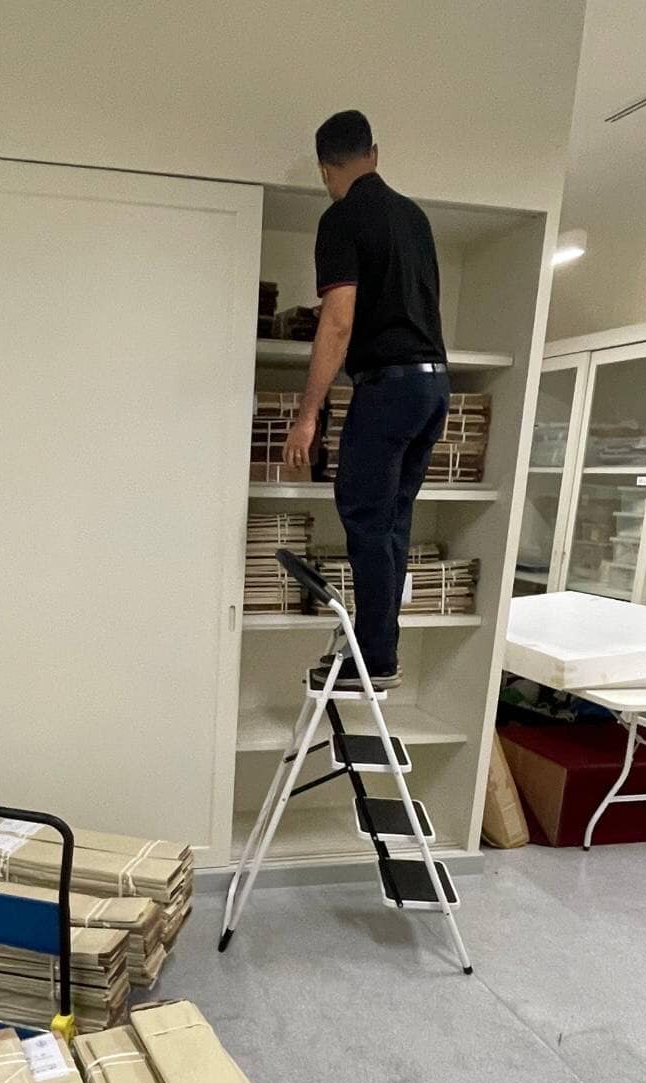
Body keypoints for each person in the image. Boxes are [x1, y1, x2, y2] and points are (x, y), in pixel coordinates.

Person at [283, 110, 447, 690]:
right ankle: (381, 646)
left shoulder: (342, 218)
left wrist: (307, 417)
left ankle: (375, 657)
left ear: (326, 170)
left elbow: (338, 321)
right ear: (374, 154)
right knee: (392, 521)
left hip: (389, 388)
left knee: (365, 516)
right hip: (433, 386)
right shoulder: (414, 217)